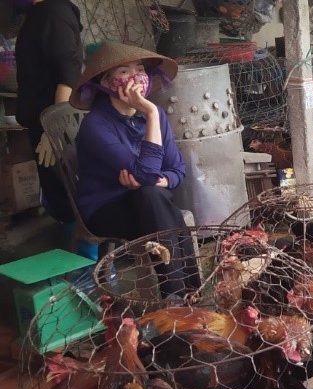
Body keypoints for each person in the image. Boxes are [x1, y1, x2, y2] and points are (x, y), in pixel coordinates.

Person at [70, 42, 200, 300]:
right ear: (106, 82)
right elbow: (148, 175)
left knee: (153, 197)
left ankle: (186, 295)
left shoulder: (157, 115)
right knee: (155, 199)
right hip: (106, 209)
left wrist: (157, 181)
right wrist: (150, 112)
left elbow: (177, 170)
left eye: (140, 69)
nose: (136, 77)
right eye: (124, 71)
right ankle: (179, 295)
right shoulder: (96, 125)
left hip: (150, 203)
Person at [14, 0, 82, 223]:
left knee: (64, 190)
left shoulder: (54, 13)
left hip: (53, 122)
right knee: (56, 189)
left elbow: (68, 71)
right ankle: (73, 247)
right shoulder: (40, 13)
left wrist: (54, 129)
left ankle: (83, 252)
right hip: (44, 120)